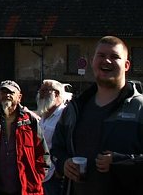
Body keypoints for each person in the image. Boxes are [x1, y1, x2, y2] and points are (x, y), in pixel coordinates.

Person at [52, 35, 143, 194]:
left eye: (114, 57)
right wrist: (64, 163)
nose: (107, 61)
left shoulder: (139, 107)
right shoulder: (75, 108)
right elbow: (56, 149)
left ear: (127, 65)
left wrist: (121, 162)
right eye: (101, 55)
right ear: (92, 61)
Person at [0, 79, 49, 195]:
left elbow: (43, 152)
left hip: (24, 187)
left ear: (19, 97)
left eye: (11, 93)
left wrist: (38, 177)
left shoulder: (29, 120)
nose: (7, 95)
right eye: (3, 92)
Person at [36, 79, 70, 195]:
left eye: (45, 90)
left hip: (55, 176)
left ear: (56, 94)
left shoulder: (65, 115)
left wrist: (60, 171)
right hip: (40, 174)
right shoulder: (43, 114)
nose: (41, 93)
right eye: (40, 90)